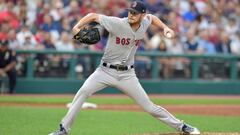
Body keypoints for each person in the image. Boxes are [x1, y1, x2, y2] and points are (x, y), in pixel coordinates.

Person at [49, 1, 200, 135]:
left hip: (128, 75)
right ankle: (63, 130)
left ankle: (181, 127)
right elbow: (93, 15)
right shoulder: (117, 23)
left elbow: (152, 18)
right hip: (104, 71)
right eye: (130, 11)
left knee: (149, 107)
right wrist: (77, 27)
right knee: (82, 93)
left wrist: (165, 28)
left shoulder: (145, 21)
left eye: (134, 13)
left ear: (142, 15)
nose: (131, 15)